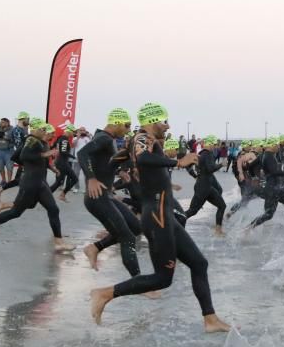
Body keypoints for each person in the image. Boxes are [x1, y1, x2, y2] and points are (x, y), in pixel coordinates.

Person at [89, 103, 230, 333]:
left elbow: (114, 161)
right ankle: (104, 294)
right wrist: (177, 162)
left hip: (161, 213)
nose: (167, 125)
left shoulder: (138, 141)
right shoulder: (143, 138)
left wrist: (111, 177)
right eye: (164, 120)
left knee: (199, 263)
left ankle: (210, 319)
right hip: (156, 216)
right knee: (163, 278)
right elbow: (143, 159)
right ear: (152, 120)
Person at [0, 119, 70, 251]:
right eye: (43, 130)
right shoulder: (31, 140)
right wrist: (41, 157)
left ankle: (59, 241)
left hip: (40, 183)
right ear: (36, 129)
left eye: (46, 130)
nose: (45, 133)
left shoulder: (42, 142)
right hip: (30, 182)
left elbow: (34, 158)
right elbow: (24, 155)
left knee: (54, 209)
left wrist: (50, 167)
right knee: (15, 212)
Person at [79, 109, 143, 276]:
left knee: (136, 227)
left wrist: (119, 171)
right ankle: (139, 282)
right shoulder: (104, 138)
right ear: (116, 123)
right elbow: (82, 153)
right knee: (127, 238)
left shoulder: (109, 139)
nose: (128, 129)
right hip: (97, 198)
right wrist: (91, 178)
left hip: (106, 195)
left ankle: (95, 248)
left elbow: (102, 162)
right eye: (127, 125)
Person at [184, 134, 228, 235]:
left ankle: (218, 230)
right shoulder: (207, 154)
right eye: (215, 144)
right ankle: (174, 221)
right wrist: (221, 164)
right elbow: (210, 169)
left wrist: (195, 175)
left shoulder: (201, 154)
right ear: (210, 144)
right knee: (192, 211)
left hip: (206, 186)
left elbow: (187, 166)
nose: (215, 146)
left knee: (222, 205)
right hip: (203, 187)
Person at [50, 125, 79, 201]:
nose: (73, 134)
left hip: (60, 161)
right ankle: (62, 194)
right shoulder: (65, 140)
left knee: (59, 182)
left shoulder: (60, 138)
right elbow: (63, 152)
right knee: (75, 179)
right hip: (62, 162)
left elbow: (53, 147)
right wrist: (74, 157)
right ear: (68, 131)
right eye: (73, 132)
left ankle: (46, 195)